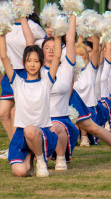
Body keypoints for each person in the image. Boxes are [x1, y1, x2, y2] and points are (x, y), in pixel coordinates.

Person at [0, 17, 60, 177]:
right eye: (29, 61)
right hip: (21, 134)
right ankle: (29, 156)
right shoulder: (17, 82)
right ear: (23, 62)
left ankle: (40, 160)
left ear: (41, 63)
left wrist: (58, 35)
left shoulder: (46, 82)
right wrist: (2, 34)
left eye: (36, 61)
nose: (32, 64)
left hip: (41, 132)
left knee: (30, 130)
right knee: (20, 172)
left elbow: (57, 57)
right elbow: (4, 57)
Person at [0, 0, 46, 160]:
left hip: (27, 72)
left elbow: (43, 43)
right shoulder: (7, 25)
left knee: (18, 112)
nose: (15, 7)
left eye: (18, 4)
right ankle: (14, 146)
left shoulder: (32, 25)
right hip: (11, 72)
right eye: (12, 4)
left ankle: (24, 147)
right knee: (3, 112)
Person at [43, 14, 79, 171]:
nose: (51, 50)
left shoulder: (66, 68)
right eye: (47, 48)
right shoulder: (36, 71)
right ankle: (40, 158)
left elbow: (70, 40)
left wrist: (73, 12)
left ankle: (60, 158)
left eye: (54, 47)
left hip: (61, 119)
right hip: (40, 120)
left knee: (55, 127)